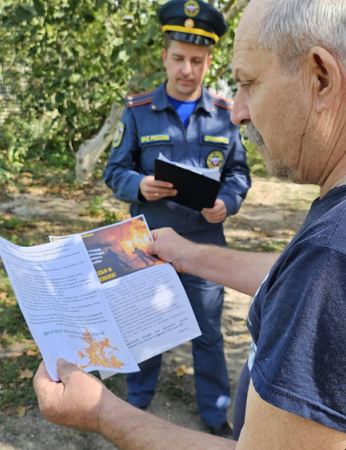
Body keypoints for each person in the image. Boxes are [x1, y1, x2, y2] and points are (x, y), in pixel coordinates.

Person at [35, 0, 346, 447]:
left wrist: (100, 412)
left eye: (248, 83)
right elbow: (333, 286)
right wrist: (192, 254)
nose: (238, 110)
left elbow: (340, 281)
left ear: (320, 75)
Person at [101, 0, 251, 437]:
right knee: (144, 328)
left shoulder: (225, 116)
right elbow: (114, 171)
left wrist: (228, 202)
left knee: (208, 335)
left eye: (198, 61)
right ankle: (138, 404)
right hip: (146, 243)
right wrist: (139, 186)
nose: (188, 69)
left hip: (205, 244)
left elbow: (239, 173)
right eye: (180, 59)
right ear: (165, 56)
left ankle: (214, 416)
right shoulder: (138, 110)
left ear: (209, 61)